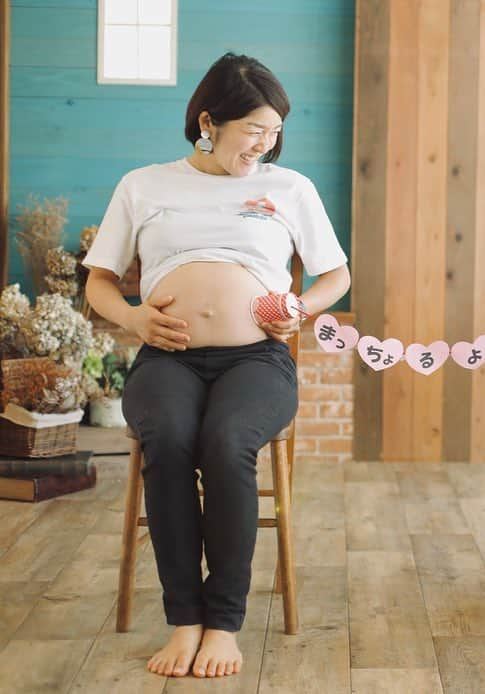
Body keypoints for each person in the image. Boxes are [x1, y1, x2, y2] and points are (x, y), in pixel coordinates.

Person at [84, 53, 351, 678]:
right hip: (166, 357)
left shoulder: (290, 189)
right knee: (170, 439)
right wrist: (131, 318)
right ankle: (185, 622)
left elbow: (335, 274)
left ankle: (224, 624)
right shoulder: (143, 184)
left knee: (227, 440)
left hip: (258, 359)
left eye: (275, 130)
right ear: (209, 121)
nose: (266, 144)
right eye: (253, 129)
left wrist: (300, 307)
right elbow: (98, 283)